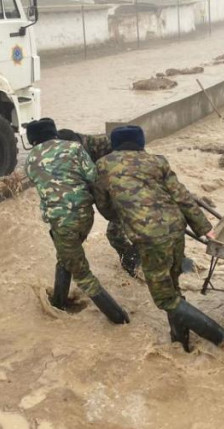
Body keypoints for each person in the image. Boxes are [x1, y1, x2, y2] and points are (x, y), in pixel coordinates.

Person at [94, 126, 224, 352]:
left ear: (114, 144)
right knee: (173, 289)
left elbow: (104, 206)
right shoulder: (158, 161)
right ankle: (180, 341)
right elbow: (183, 197)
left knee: (165, 300)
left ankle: (221, 337)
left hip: (150, 239)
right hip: (176, 230)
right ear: (141, 143)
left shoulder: (103, 166)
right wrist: (205, 228)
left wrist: (124, 215)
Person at [25, 118, 129, 324]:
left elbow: (42, 185)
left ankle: (119, 319)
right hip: (85, 217)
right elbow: (93, 177)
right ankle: (58, 302)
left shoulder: (30, 160)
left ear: (33, 140)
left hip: (62, 223)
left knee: (83, 276)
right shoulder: (75, 148)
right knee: (66, 257)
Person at [57, 128, 139, 277]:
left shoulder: (102, 143)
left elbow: (132, 157)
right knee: (117, 232)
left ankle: (136, 262)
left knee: (117, 232)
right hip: (108, 189)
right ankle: (134, 262)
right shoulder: (70, 155)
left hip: (127, 186)